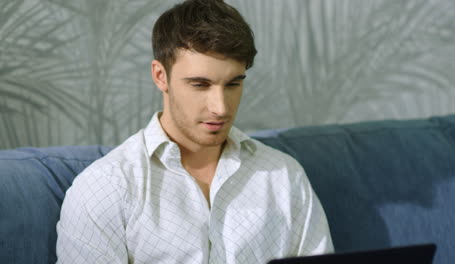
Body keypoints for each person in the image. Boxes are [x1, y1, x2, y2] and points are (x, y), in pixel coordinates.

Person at [55, 0, 334, 263]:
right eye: (200, 85)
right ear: (160, 76)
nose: (221, 108)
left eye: (233, 84)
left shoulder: (284, 177)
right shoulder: (105, 188)